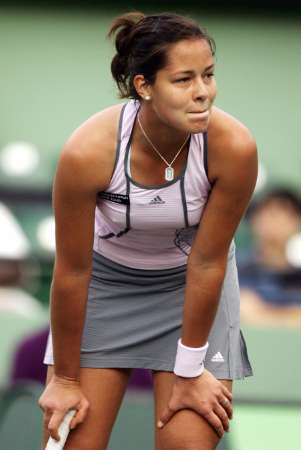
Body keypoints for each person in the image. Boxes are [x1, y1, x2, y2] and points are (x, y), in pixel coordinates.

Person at [38, 12, 257, 450]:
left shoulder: (234, 148)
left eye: (208, 75)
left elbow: (208, 261)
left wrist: (190, 369)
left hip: (193, 291)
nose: (203, 93)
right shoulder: (88, 152)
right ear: (144, 86)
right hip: (107, 286)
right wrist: (63, 378)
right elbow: (73, 271)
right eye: (183, 80)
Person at [238, 186, 301, 326]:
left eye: (285, 211)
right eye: (267, 211)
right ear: (253, 219)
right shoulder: (232, 272)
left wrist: (262, 312)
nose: (275, 218)